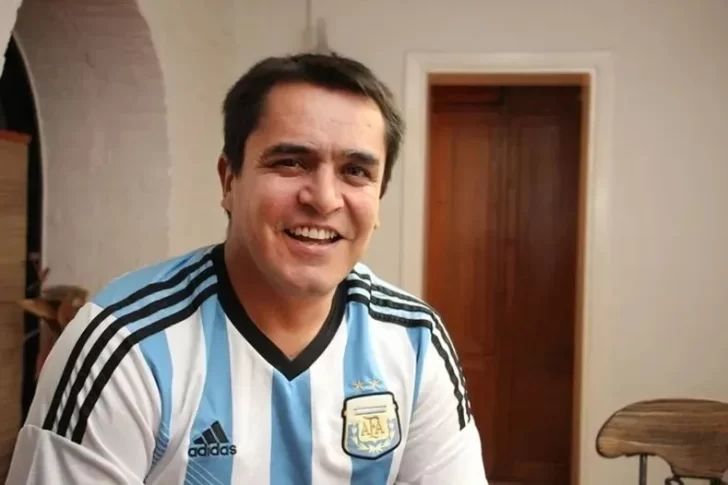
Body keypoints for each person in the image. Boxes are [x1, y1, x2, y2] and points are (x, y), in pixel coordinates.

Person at [6, 52, 488, 484]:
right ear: (229, 180)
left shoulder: (414, 340)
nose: (324, 199)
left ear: (378, 199)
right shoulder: (124, 343)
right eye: (291, 162)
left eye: (356, 171)